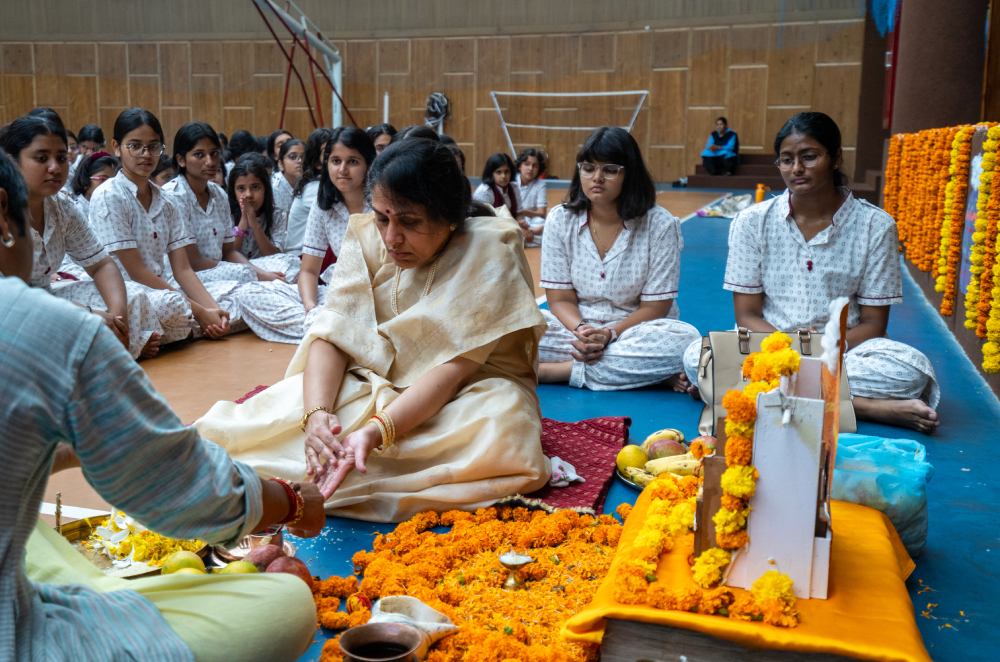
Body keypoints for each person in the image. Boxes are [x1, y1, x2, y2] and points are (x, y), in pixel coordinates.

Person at [0, 146, 327, 661]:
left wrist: (73, 447)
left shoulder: (189, 195)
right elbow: (172, 485)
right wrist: (291, 500)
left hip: (190, 286)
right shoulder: (49, 326)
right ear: (4, 212)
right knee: (283, 606)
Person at [196, 138, 550, 522]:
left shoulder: (491, 246)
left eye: (409, 222)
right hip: (373, 378)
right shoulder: (367, 236)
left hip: (469, 388)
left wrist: (376, 432)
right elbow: (333, 332)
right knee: (274, 419)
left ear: (449, 216)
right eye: (383, 218)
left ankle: (346, 467)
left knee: (503, 429)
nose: (391, 238)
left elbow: (454, 370)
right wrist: (317, 416)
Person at [684, 112, 940, 431]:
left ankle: (759, 394)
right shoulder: (751, 222)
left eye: (809, 156)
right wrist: (789, 352)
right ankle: (864, 407)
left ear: (835, 158)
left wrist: (815, 352)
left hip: (842, 349)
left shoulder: (875, 226)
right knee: (696, 356)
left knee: (909, 372)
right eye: (786, 160)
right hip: (770, 343)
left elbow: (874, 323)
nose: (796, 168)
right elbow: (747, 314)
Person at [538, 126, 701, 391]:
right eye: (588, 168)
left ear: (630, 174)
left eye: (610, 170)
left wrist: (609, 333)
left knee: (683, 340)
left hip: (635, 331)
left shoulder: (660, 225)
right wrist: (584, 331)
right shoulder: (560, 219)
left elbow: (655, 307)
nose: (597, 177)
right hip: (574, 332)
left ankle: (554, 371)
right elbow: (560, 299)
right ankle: (647, 374)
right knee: (513, 327)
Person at [0, 115, 168, 360]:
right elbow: (14, 297)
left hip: (46, 297)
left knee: (134, 297)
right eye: (41, 158)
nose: (55, 167)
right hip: (13, 307)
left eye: (61, 158)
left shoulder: (61, 207)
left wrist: (117, 318)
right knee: (74, 323)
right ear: (12, 162)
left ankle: (115, 343)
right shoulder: (5, 209)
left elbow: (101, 264)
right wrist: (88, 313)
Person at [89, 108, 234, 341]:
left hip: (161, 289)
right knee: (175, 306)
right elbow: (136, 273)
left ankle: (162, 333)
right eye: (135, 146)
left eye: (153, 146)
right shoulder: (110, 195)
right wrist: (200, 312)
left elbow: (183, 270)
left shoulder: (166, 201)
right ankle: (154, 334)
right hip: (124, 293)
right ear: (116, 147)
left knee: (227, 299)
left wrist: (212, 310)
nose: (146, 154)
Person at [237, 127, 374, 344]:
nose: (342, 170)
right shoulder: (323, 206)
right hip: (337, 293)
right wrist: (311, 308)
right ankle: (329, 329)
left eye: (353, 162)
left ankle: (332, 331)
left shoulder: (380, 203)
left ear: (368, 164)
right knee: (248, 294)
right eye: (335, 161)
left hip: (376, 296)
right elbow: (309, 271)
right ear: (326, 164)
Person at [163, 121, 261, 284]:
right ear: (181, 160)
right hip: (185, 279)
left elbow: (229, 252)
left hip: (218, 271)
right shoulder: (173, 196)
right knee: (247, 275)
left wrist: (261, 273)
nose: (210, 161)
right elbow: (193, 262)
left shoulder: (219, 194)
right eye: (199, 155)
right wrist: (251, 273)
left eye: (214, 153)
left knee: (287, 263)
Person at [228, 152, 300, 281]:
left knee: (292, 264)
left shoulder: (277, 214)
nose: (248, 194)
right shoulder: (227, 214)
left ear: (265, 189)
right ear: (233, 192)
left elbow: (273, 255)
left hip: (268, 267)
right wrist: (243, 223)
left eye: (255, 187)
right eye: (241, 189)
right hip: (238, 269)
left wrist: (254, 223)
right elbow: (229, 254)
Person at [285, 127, 333, 254]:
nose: (334, 156)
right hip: (300, 255)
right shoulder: (314, 187)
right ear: (317, 163)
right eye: (327, 152)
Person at [69, 150, 118, 219]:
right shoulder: (74, 212)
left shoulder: (114, 208)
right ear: (85, 180)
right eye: (103, 179)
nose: (111, 186)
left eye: (114, 181)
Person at [514, 147, 548, 246]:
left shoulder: (540, 184)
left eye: (535, 166)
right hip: (514, 219)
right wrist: (519, 219)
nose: (530, 168)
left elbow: (542, 212)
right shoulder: (512, 182)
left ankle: (526, 236)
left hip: (531, 221)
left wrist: (523, 212)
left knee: (543, 224)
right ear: (520, 166)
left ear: (539, 169)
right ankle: (528, 237)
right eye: (527, 164)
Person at [472, 152, 521, 220]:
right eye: (498, 172)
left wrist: (520, 222)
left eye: (506, 172)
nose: (503, 176)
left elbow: (518, 213)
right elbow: (482, 220)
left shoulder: (514, 187)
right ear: (491, 174)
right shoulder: (484, 192)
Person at [271, 138, 304, 218]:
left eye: (303, 157)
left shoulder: (306, 181)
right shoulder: (274, 187)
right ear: (281, 164)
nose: (300, 161)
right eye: (293, 157)